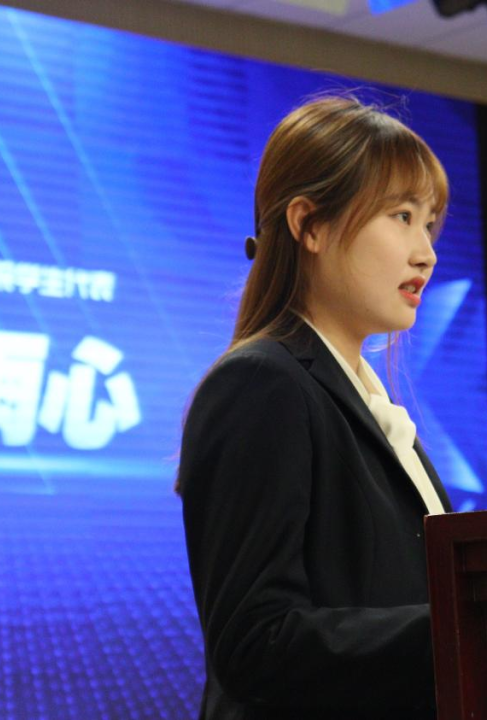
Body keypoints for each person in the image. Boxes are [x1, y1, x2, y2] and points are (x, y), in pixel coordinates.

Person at [176, 95, 453, 720]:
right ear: (310, 225)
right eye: (401, 216)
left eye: (429, 223)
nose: (426, 252)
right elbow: (255, 643)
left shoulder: (367, 401)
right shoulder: (260, 385)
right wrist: (462, 625)